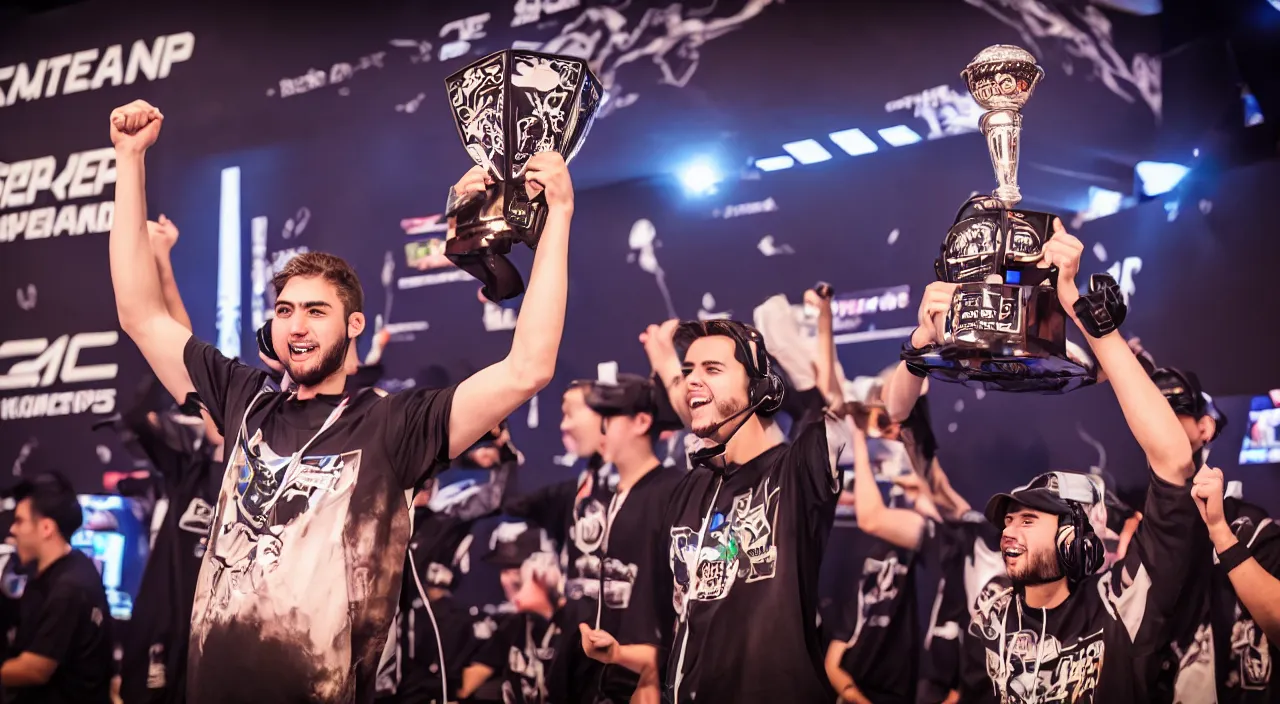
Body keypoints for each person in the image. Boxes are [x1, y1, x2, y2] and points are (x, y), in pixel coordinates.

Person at [107, 99, 574, 703]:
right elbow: (139, 313)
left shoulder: (393, 423)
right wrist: (129, 159)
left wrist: (558, 213)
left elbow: (527, 368)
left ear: (355, 325)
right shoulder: (246, 400)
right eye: (285, 311)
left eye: (316, 311)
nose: (297, 326)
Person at [948, 226, 1200, 701]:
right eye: (1009, 520)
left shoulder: (1120, 605)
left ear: (1074, 538)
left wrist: (1082, 313)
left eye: (1028, 519)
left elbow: (1173, 461)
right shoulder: (990, 619)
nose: (1008, 532)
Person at [607, 317, 851, 703]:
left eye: (712, 369)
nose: (690, 380)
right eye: (687, 371)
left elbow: (837, 412)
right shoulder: (690, 486)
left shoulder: (796, 473)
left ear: (761, 389)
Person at [558, 373, 685, 703]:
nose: (600, 429)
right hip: (588, 676)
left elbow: (678, 598)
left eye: (609, 419)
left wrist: (652, 670)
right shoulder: (599, 493)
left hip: (642, 679)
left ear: (641, 422)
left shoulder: (673, 491)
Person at [376, 423, 518, 703]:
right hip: (383, 621)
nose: (423, 488)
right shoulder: (379, 522)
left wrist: (503, 452)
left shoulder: (442, 522)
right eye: (419, 482)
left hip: (427, 627)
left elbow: (494, 499)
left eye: (428, 483)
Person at [1, 472, 113, 703]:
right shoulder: (61, 569)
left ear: (46, 528)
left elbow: (34, 669)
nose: (12, 529)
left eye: (20, 521)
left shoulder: (69, 588)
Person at [463, 551, 574, 704]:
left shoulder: (577, 622)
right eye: (504, 571)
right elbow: (468, 684)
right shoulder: (514, 624)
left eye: (516, 571)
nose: (507, 580)